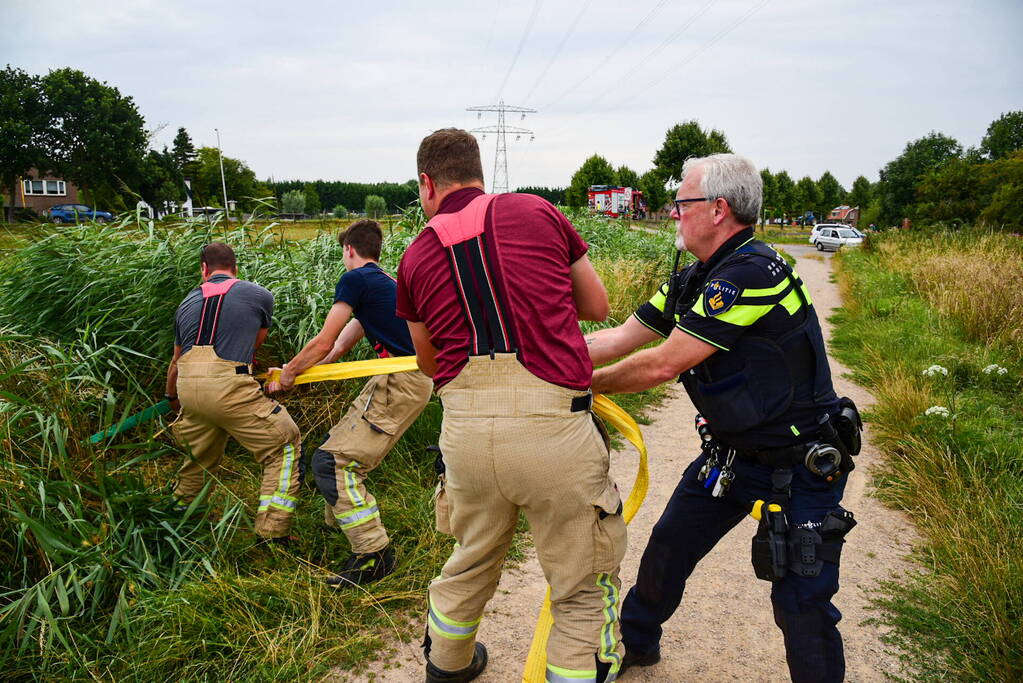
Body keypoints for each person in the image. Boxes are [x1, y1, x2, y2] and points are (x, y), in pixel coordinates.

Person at [585, 154, 858, 683]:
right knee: (668, 550)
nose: (672, 213)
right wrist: (542, 364)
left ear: (717, 209)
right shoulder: (696, 277)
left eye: (681, 203)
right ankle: (636, 644)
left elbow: (665, 362)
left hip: (801, 463)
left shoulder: (751, 273)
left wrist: (582, 386)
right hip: (732, 455)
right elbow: (619, 338)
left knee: (802, 601)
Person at [396, 128, 624, 683]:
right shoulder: (536, 212)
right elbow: (597, 304)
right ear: (478, 172)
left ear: (427, 183)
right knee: (579, 582)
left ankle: (447, 667)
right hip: (555, 431)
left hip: (467, 439)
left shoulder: (415, 255)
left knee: (470, 560)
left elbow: (428, 363)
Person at [265, 220, 432, 586]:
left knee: (333, 462)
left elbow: (323, 341)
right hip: (402, 380)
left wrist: (289, 375)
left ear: (349, 250)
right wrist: (296, 370)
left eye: (343, 252)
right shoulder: (385, 284)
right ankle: (340, 528)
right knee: (330, 447)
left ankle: (373, 554)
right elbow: (338, 349)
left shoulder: (356, 280)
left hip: (398, 382)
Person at [166, 242, 302, 542]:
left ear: (204, 270)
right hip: (228, 384)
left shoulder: (185, 302)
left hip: (187, 386)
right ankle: (273, 532)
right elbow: (255, 343)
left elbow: (175, 361)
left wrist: (172, 399)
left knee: (197, 458)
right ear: (235, 268)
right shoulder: (259, 294)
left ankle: (177, 525)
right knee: (284, 443)